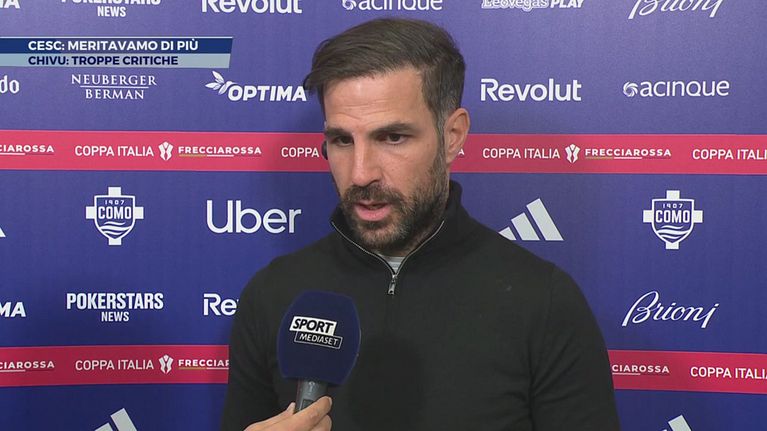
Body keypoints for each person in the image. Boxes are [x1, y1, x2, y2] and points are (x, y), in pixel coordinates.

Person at [221, 18, 620, 431]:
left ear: (453, 136)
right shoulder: (272, 294)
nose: (361, 173)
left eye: (392, 137)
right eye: (342, 140)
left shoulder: (544, 302)